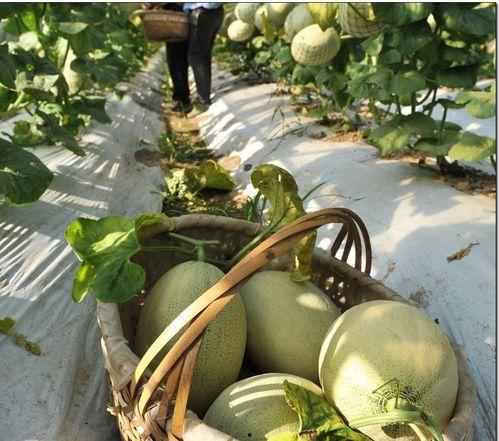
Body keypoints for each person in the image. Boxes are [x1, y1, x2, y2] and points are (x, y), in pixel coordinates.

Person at [143, 3, 223, 115]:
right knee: (199, 55)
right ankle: (189, 99)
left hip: (199, 11)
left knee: (195, 56)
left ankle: (201, 101)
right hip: (209, 10)